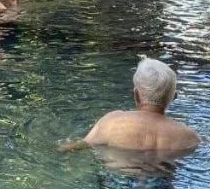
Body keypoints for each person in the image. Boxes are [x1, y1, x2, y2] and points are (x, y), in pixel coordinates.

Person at [62, 58, 199, 156]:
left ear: (136, 95)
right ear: (174, 97)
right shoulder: (189, 137)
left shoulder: (111, 122)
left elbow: (79, 146)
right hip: (163, 182)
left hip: (122, 182)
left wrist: (61, 149)